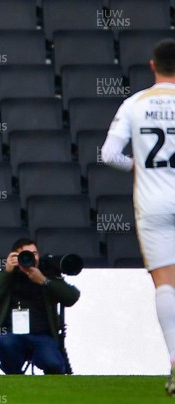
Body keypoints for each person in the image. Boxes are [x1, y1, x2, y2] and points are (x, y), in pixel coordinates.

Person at [101, 38, 175, 395]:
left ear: (152, 65)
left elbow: (109, 154)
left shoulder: (135, 103)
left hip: (154, 203)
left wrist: (138, 168)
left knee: (165, 284)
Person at [0, 238, 80, 374]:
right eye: (26, 254)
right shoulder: (7, 276)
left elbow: (71, 297)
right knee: (5, 343)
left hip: (42, 336)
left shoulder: (46, 273)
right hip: (11, 334)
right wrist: (6, 271)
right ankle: (14, 379)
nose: (31, 258)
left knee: (54, 364)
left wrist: (44, 281)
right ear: (15, 257)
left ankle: (49, 391)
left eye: (34, 253)